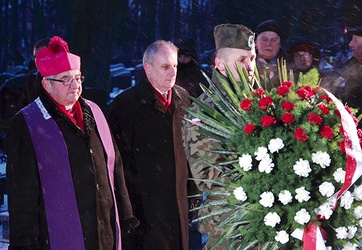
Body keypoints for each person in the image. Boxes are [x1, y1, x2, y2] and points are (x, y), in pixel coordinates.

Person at [6, 36, 139, 250]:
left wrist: (125, 215)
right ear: (46, 84)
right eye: (66, 79)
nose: (75, 86)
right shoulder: (28, 123)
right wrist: (24, 242)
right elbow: (22, 192)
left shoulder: (94, 112)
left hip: (104, 230)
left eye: (78, 78)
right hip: (58, 234)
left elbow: (115, 166)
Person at [108, 40, 191, 250]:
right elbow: (119, 161)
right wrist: (127, 210)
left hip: (178, 204)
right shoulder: (126, 105)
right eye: (165, 67)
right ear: (148, 68)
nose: (172, 72)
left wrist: (192, 191)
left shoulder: (183, 99)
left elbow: (190, 150)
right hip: (145, 209)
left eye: (175, 66)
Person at [184, 23, 256, 249]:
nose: (250, 67)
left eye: (252, 59)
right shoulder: (206, 111)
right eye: (242, 60)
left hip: (265, 221)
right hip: (229, 225)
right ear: (220, 64)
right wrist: (261, 175)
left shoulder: (262, 105)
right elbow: (206, 174)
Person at [254, 19, 288, 88]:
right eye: (264, 39)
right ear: (255, 42)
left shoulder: (290, 64)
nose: (269, 44)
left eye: (274, 40)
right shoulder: (244, 62)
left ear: (280, 44)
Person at [19, 37, 50, 109]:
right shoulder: (31, 79)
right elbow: (24, 107)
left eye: (42, 56)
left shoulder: (65, 79)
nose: (37, 60)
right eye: (35, 57)